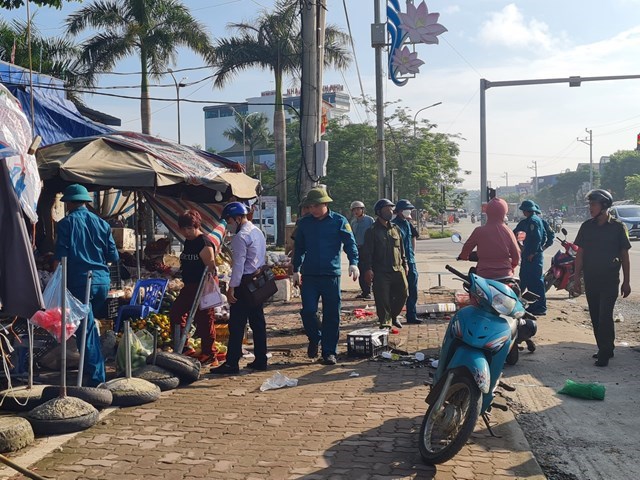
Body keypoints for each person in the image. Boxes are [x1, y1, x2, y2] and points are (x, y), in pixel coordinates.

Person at [54, 184, 119, 387]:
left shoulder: (65, 224)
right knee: (89, 326)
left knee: (87, 329)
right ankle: (92, 368)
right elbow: (113, 256)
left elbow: (61, 258)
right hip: (102, 282)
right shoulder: (102, 224)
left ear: (70, 203)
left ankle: (96, 377)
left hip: (81, 282)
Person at [292, 187, 359, 365]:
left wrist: (354, 263)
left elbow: (350, 244)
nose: (312, 209)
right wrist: (295, 269)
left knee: (332, 315)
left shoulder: (339, 221)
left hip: (331, 275)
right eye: (310, 206)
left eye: (316, 206)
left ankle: (329, 352)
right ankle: (315, 337)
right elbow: (299, 248)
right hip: (310, 275)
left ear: (325, 204)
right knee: (308, 311)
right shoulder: (304, 223)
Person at [572, 189, 631, 367]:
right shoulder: (586, 226)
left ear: (604, 205)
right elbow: (580, 255)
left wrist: (627, 281)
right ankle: (606, 347)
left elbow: (625, 256)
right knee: (596, 315)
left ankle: (604, 353)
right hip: (591, 279)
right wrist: (575, 279)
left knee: (605, 316)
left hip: (610, 280)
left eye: (593, 204)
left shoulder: (618, 227)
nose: (590, 208)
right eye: (590, 204)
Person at [211, 202, 269, 374]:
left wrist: (232, 288)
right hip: (257, 281)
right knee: (258, 323)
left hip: (244, 282)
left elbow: (238, 265)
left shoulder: (240, 237)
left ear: (237, 218)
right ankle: (261, 359)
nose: (228, 224)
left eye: (229, 220)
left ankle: (232, 363)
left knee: (236, 325)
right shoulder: (257, 231)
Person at [170, 210, 218, 365]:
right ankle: (183, 346)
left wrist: (206, 288)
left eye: (189, 228)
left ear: (196, 226)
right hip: (188, 285)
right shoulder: (188, 241)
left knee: (204, 320)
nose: (186, 232)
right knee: (176, 313)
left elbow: (211, 267)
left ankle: (209, 353)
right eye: (183, 229)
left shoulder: (203, 242)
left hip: (202, 286)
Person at [361, 199, 408, 330]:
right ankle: (386, 323)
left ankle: (393, 316)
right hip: (381, 271)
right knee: (383, 299)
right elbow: (367, 253)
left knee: (403, 294)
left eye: (391, 209)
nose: (390, 212)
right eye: (387, 209)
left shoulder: (395, 229)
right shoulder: (372, 231)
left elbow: (401, 249)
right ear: (378, 212)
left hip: (398, 269)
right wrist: (368, 269)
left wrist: (405, 264)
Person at [459, 197, 521, 279]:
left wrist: (464, 256)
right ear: (505, 212)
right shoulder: (508, 231)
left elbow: (466, 248)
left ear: (487, 212)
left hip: (484, 276)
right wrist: (512, 266)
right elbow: (516, 255)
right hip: (505, 275)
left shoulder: (479, 231)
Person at [512, 200, 548, 315]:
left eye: (523, 210)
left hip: (533, 256)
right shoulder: (531, 221)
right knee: (525, 279)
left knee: (535, 282)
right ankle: (528, 304)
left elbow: (537, 238)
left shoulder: (533, 221)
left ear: (527, 211)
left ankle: (540, 307)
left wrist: (532, 252)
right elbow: (515, 233)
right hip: (529, 254)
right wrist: (520, 246)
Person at [392, 199, 422, 325]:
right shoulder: (393, 225)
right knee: (399, 291)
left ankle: (411, 315)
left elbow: (413, 238)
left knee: (413, 289)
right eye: (406, 209)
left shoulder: (408, 224)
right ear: (399, 211)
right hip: (398, 263)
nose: (408, 211)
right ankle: (393, 316)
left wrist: (412, 255)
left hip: (411, 261)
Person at [349, 200, 375, 300]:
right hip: (357, 248)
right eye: (354, 210)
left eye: (358, 209)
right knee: (359, 270)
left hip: (367, 248)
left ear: (362, 209)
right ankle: (364, 291)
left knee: (367, 270)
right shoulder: (353, 222)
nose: (356, 211)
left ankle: (369, 291)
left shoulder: (369, 220)